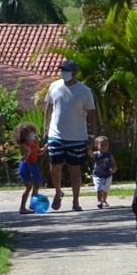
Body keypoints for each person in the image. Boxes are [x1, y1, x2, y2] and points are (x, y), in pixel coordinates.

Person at [42, 59, 99, 211]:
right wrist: (46, 128)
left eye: (66, 70)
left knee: (75, 168)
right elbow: (49, 106)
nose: (63, 73)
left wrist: (92, 136)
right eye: (62, 70)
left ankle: (75, 201)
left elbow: (92, 113)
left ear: (75, 72)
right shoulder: (54, 86)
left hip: (77, 136)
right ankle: (58, 192)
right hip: (56, 134)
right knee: (55, 166)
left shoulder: (84, 91)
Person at [14, 123, 45, 214]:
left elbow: (38, 152)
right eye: (28, 133)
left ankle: (32, 204)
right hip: (26, 165)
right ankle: (22, 207)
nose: (31, 134)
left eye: (31, 132)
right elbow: (23, 158)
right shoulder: (23, 144)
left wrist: (45, 148)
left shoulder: (35, 141)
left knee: (37, 184)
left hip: (34, 164)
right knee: (28, 187)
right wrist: (27, 154)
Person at [90, 135, 115, 209]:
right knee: (98, 188)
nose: (104, 146)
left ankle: (104, 200)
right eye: (101, 144)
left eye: (106, 144)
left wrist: (114, 168)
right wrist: (89, 148)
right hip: (97, 175)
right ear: (96, 145)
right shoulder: (96, 154)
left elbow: (113, 163)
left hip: (108, 175)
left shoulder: (109, 155)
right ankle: (99, 201)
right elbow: (91, 154)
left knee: (105, 189)